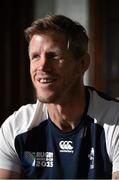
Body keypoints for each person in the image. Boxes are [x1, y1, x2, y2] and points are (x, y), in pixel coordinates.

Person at [0, 14, 119, 179]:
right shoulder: (15, 127)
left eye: (54, 56)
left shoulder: (114, 121)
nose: (42, 66)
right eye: (35, 56)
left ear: (82, 64)